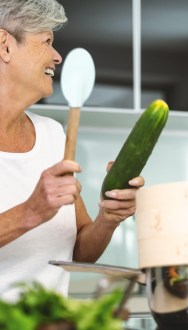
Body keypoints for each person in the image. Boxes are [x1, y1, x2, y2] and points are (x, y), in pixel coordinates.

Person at [0, 0, 144, 301]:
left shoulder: (52, 135)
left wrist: (108, 217)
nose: (57, 56)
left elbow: (79, 253)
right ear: (5, 46)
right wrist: (29, 212)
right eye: (47, 42)